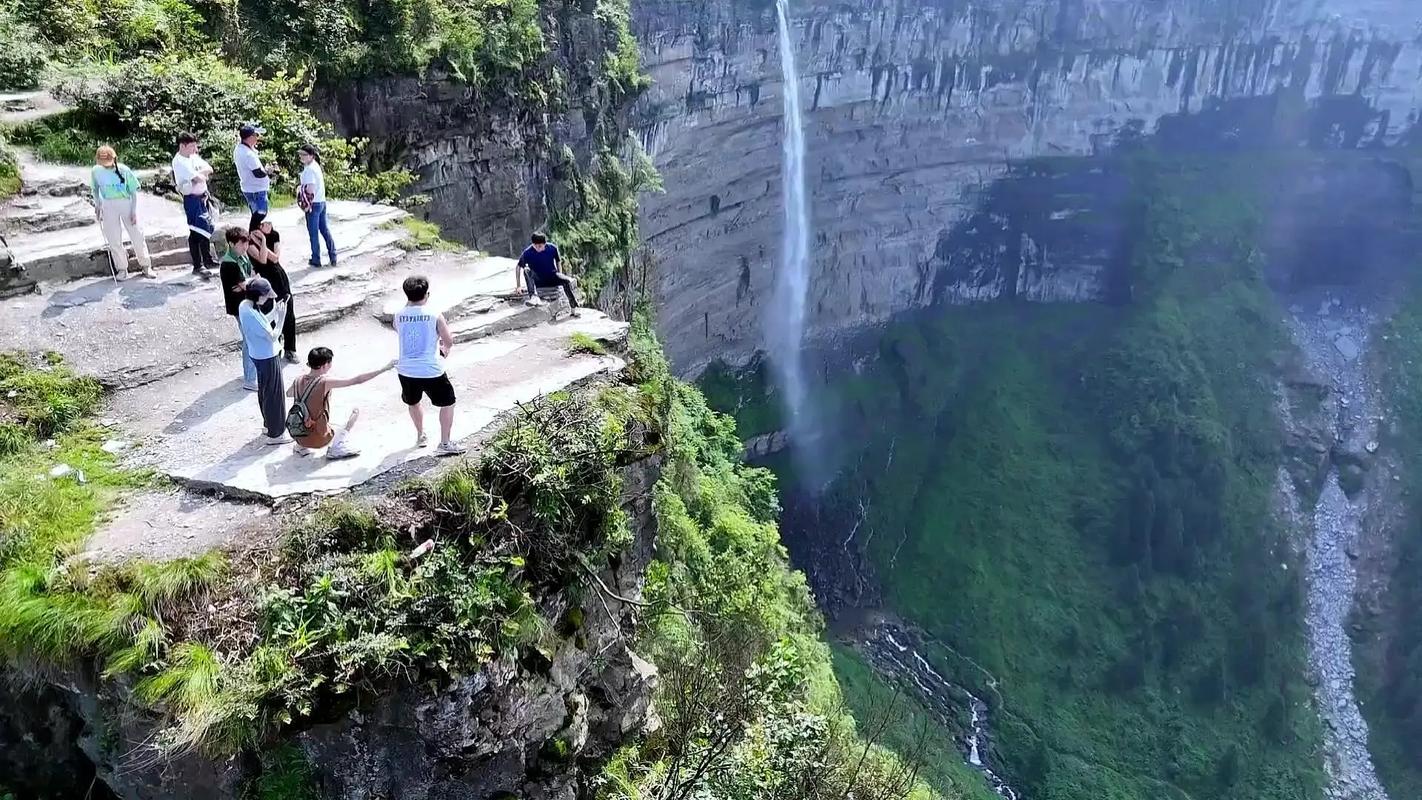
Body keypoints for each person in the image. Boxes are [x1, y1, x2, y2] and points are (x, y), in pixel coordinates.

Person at [393, 275, 464, 456]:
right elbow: (448, 341)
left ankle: (421, 435)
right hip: (431, 370)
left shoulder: (398, 315)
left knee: (413, 402)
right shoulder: (434, 314)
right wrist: (444, 349)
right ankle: (445, 444)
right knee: (448, 403)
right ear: (427, 294)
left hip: (406, 370)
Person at [288, 347, 396, 459]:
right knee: (354, 411)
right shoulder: (325, 382)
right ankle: (336, 447)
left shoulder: (298, 380)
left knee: (308, 414)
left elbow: (288, 393)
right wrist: (384, 369)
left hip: (298, 434)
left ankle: (300, 446)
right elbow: (356, 380)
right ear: (324, 365)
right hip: (319, 439)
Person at [238, 276, 290, 444]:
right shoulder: (252, 313)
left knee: (265, 392)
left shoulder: (245, 306)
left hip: (258, 354)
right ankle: (276, 434)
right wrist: (281, 317)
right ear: (257, 295)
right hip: (267, 356)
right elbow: (272, 335)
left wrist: (274, 312)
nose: (267, 298)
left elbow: (262, 324)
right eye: (266, 296)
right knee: (275, 396)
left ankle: (269, 425)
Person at [90, 146, 154, 280]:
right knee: (113, 238)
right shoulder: (96, 171)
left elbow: (133, 193)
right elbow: (95, 189)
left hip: (125, 202)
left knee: (136, 234)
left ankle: (146, 265)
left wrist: (133, 211)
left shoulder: (124, 170)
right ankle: (122, 268)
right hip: (108, 204)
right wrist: (98, 204)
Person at [249, 225, 297, 362]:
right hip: (264, 280)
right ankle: (273, 347)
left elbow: (275, 258)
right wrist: (261, 242)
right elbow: (263, 260)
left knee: (288, 311)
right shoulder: (250, 240)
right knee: (268, 313)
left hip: (278, 276)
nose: (267, 226)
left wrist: (262, 240)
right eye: (263, 224)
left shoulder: (274, 235)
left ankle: (290, 348)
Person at [171, 132, 216, 279]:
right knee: (196, 230)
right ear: (182, 145)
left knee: (206, 227)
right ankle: (198, 265)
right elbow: (197, 177)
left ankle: (207, 259)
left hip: (202, 196)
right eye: (191, 146)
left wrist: (199, 174)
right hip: (191, 198)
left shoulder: (193, 157)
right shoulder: (179, 161)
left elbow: (209, 169)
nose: (194, 149)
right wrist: (199, 175)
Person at [219, 227, 258, 390]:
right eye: (241, 244)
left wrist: (248, 283)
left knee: (251, 338)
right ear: (231, 244)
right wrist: (248, 283)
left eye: (246, 243)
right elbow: (246, 284)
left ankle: (250, 373)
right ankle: (250, 378)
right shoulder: (229, 264)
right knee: (249, 340)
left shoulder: (242, 258)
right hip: (239, 307)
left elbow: (253, 277)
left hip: (246, 302)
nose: (245, 247)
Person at [515, 232, 580, 316]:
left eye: (540, 246)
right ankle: (534, 297)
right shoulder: (527, 252)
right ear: (533, 244)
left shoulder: (552, 248)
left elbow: (558, 260)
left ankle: (573, 308)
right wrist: (518, 286)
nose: (538, 248)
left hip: (552, 276)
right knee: (527, 270)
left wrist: (559, 274)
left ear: (544, 244)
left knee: (566, 281)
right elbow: (518, 267)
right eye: (535, 246)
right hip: (538, 280)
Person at [297, 144, 336, 268]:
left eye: (304, 155)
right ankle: (333, 255)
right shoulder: (315, 166)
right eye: (300, 154)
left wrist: (306, 205)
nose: (301, 157)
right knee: (324, 230)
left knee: (313, 233)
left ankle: (316, 259)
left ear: (311, 156)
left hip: (313, 204)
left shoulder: (309, 170)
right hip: (321, 202)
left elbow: (310, 190)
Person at [233, 123, 270, 231]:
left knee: (256, 214)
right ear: (250, 137)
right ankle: (251, 234)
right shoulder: (248, 154)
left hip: (249, 188)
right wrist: (269, 171)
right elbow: (258, 173)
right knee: (261, 213)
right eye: (255, 135)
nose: (257, 138)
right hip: (256, 189)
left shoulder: (239, 149)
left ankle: (254, 235)